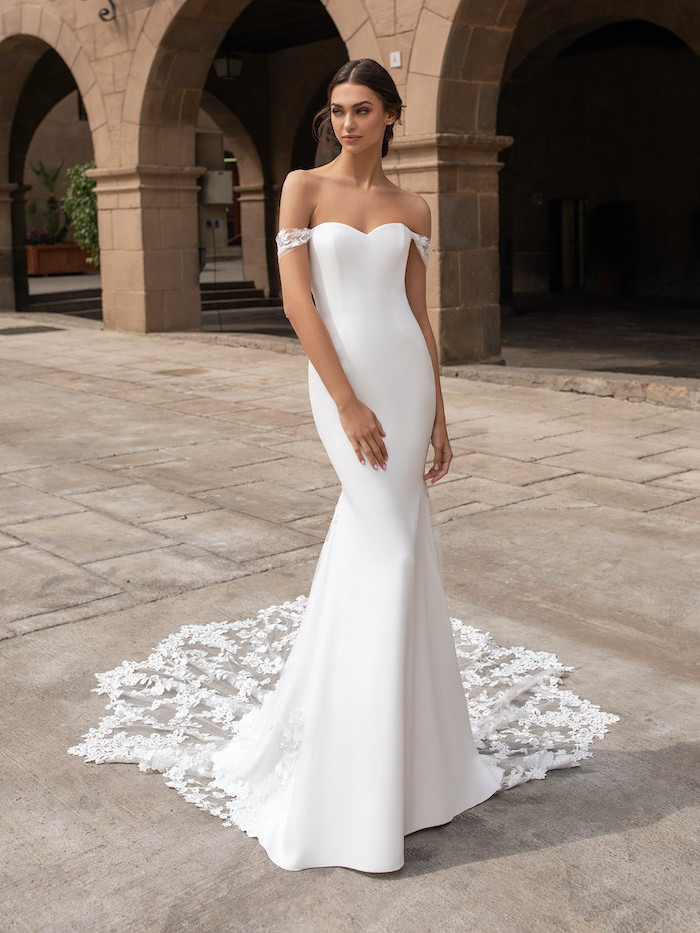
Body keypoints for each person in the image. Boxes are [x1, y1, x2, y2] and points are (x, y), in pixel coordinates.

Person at [68, 59, 618, 874]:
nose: (348, 123)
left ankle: (411, 762)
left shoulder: (412, 204)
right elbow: (299, 303)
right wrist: (348, 401)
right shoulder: (302, 186)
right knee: (389, 549)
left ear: (392, 115)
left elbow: (419, 316)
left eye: (363, 109)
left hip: (404, 382)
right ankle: (360, 772)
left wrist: (440, 413)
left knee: (385, 554)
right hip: (343, 389)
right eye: (338, 111)